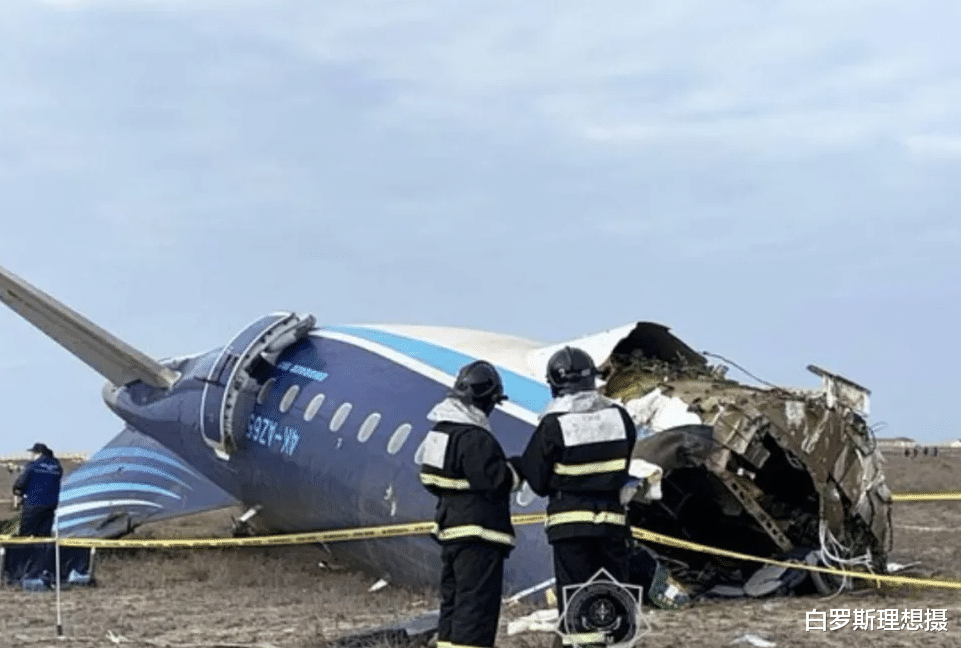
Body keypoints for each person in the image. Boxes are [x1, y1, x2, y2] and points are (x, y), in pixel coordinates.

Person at [518, 346, 638, 620]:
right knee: (614, 599)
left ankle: (580, 638)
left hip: (570, 526)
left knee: (577, 601)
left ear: (554, 384)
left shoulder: (553, 424)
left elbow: (536, 479)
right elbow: (626, 462)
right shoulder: (620, 418)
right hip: (612, 524)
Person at [419, 360, 522, 648]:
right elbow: (495, 481)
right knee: (476, 610)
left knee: (452, 605)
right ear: (486, 400)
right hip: (479, 535)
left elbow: (429, 479)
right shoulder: (476, 438)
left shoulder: (439, 433)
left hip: (450, 530)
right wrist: (517, 468)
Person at [13, 442, 63, 537]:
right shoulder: (57, 466)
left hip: (33, 504)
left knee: (26, 534)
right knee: (43, 535)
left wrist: (17, 492)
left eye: (33, 453)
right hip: (50, 505)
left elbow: (21, 483)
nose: (31, 455)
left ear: (39, 453)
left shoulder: (33, 465)